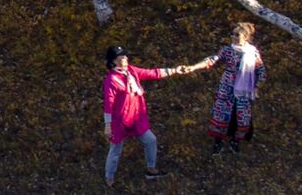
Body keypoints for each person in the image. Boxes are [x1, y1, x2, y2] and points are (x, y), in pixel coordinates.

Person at [100, 45, 193, 185]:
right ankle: (109, 177)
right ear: (114, 61)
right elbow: (108, 103)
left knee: (151, 140)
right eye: (122, 56)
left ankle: (151, 169)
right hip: (119, 121)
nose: (126, 58)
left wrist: (174, 70)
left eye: (125, 56)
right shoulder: (111, 80)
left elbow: (152, 73)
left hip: (137, 117)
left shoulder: (132, 71)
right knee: (115, 150)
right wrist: (108, 125)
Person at [197, 21, 267, 152]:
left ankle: (235, 141)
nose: (233, 37)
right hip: (227, 88)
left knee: (242, 118)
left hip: (244, 91)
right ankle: (218, 143)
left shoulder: (252, 53)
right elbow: (213, 59)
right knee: (221, 115)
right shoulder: (227, 50)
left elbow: (261, 71)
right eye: (232, 34)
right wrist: (194, 67)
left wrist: (257, 86)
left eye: (237, 34)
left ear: (246, 37)